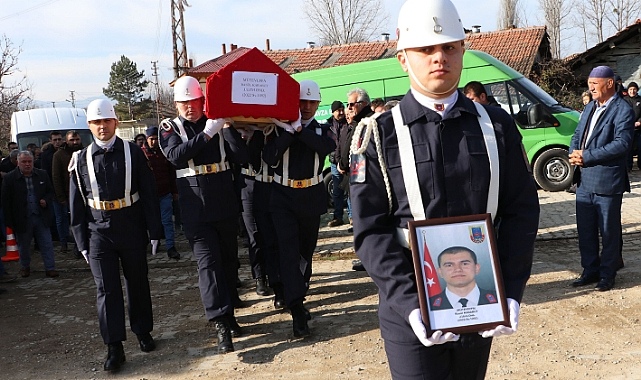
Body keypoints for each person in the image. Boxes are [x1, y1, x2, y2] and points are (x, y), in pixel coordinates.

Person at [349, 0, 540, 378]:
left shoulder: (496, 125)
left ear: (462, 51)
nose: (440, 57)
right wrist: (408, 303)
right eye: (426, 49)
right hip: (410, 309)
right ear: (404, 58)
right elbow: (370, 230)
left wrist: (512, 289)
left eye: (450, 47)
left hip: (480, 300)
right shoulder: (378, 134)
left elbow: (521, 210)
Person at [69, 99, 162, 372]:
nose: (101, 127)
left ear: (115, 122)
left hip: (131, 226)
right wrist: (81, 243)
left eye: (106, 121)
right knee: (106, 290)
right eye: (96, 122)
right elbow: (76, 204)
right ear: (89, 125)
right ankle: (114, 347)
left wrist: (154, 231)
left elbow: (148, 193)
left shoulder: (133, 152)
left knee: (137, 283)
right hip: (98, 232)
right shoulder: (80, 159)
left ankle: (143, 332)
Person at [159, 75, 248, 353]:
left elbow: (241, 157)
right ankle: (220, 321)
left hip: (223, 201)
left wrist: (229, 128)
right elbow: (176, 155)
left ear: (203, 101)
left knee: (228, 261)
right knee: (208, 265)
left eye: (194, 102)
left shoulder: (217, 122)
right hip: (195, 205)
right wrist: (207, 133)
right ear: (176, 105)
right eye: (184, 103)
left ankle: (230, 310)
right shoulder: (169, 127)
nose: (190, 107)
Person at [264, 79, 335, 337]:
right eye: (301, 102)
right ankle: (296, 308)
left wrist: (298, 131)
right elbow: (269, 157)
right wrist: (287, 131)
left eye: (311, 102)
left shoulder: (323, 129)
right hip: (283, 197)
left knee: (306, 252)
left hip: (311, 197)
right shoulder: (276, 129)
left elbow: (327, 147)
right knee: (288, 252)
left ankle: (298, 293)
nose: (306, 107)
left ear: (318, 103)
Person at [569, 66, 634, 292]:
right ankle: (590, 270)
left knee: (609, 231)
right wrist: (574, 152)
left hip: (607, 180)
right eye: (589, 83)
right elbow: (578, 134)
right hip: (584, 180)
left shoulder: (622, 109)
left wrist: (587, 156)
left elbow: (621, 144)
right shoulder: (589, 107)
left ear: (609, 84)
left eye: (595, 83)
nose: (591, 87)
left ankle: (608, 274)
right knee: (585, 230)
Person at [2, 151, 59, 278]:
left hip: (40, 216)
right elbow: (6, 201)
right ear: (18, 162)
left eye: (29, 162)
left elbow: (50, 192)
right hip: (22, 218)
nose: (27, 164)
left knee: (46, 243)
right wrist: (10, 221)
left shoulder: (42, 175)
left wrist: (46, 200)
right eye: (24, 162)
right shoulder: (10, 178)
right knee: (24, 245)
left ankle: (50, 268)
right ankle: (25, 266)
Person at [141, 126, 180, 260]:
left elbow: (171, 173)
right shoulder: (141, 154)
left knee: (167, 221)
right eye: (151, 139)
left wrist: (174, 191)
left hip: (165, 192)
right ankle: (152, 244)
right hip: (147, 195)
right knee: (149, 221)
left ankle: (171, 247)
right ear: (147, 139)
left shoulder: (165, 152)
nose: (154, 142)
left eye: (156, 139)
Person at [428, 247, 497, 311]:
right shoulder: (428, 306)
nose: (458, 269)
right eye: (449, 265)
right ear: (440, 272)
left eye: (465, 264)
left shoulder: (499, 299)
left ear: (477, 268)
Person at [52, 131, 83, 255]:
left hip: (84, 193)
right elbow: (56, 177)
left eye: (77, 140)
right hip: (67, 193)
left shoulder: (84, 152)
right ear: (67, 141)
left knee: (82, 220)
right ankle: (65, 243)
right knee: (68, 221)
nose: (75, 142)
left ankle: (80, 246)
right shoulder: (59, 155)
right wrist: (61, 197)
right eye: (72, 140)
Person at [326, 100, 348, 227]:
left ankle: (352, 217)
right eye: (338, 110)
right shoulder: (327, 126)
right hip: (334, 162)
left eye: (342, 109)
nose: (341, 112)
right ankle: (338, 217)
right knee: (337, 191)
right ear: (332, 112)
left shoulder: (348, 122)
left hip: (347, 161)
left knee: (349, 190)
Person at [625, 82, 641, 171]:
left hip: (639, 129)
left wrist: (639, 121)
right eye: (630, 89)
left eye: (634, 89)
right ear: (628, 90)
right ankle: (628, 167)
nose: (632, 91)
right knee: (629, 149)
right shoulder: (624, 100)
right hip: (628, 128)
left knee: (640, 148)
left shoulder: (640, 100)